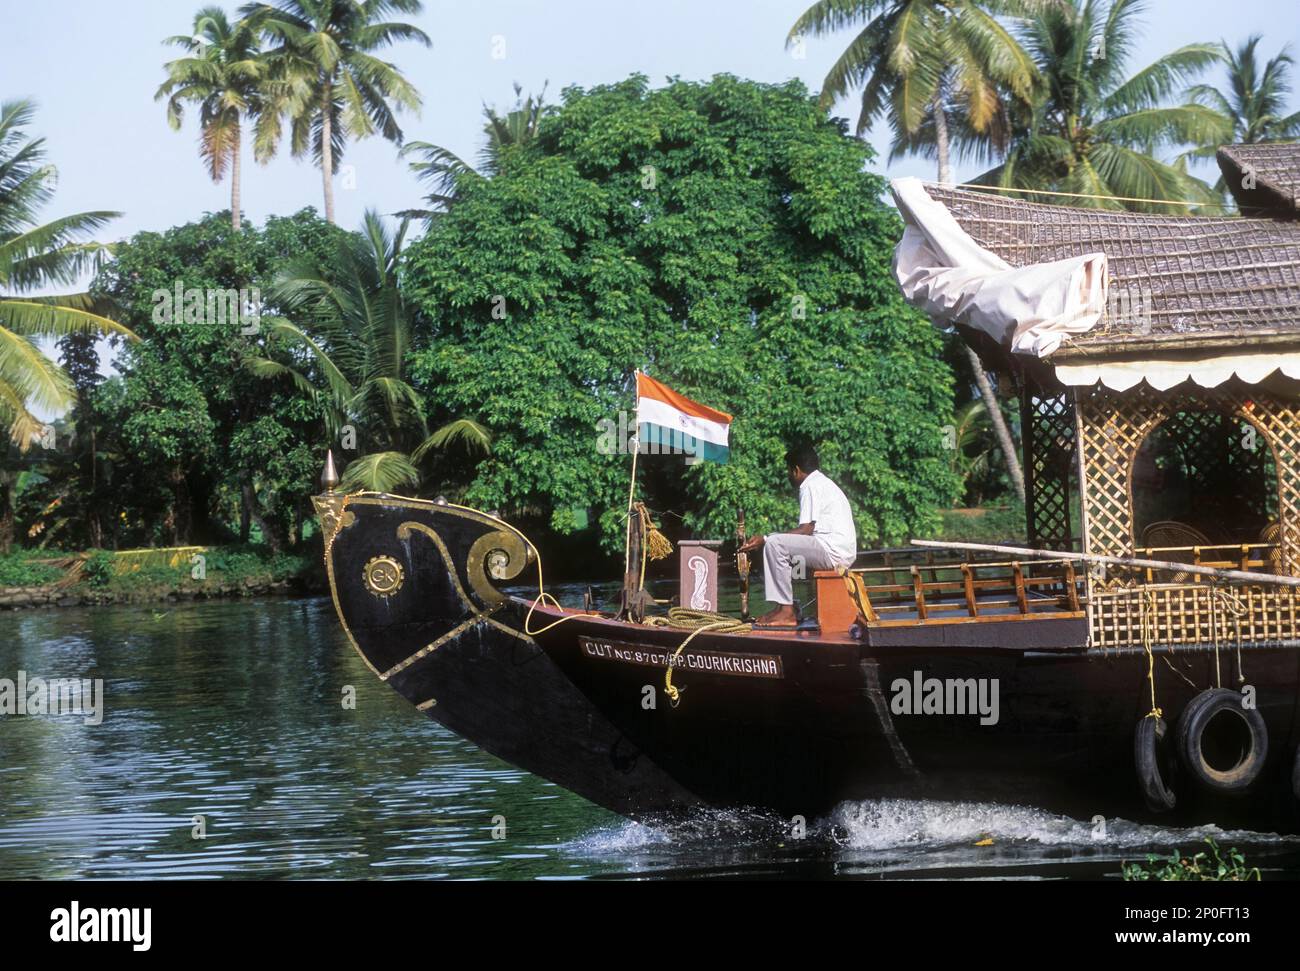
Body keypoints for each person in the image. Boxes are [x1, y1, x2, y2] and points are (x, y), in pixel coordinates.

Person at [739, 442, 857, 627]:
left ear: (796, 470)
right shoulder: (821, 482)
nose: (788, 476)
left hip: (832, 551)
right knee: (777, 545)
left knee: (774, 544)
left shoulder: (809, 486)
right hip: (834, 549)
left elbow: (806, 530)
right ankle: (782, 608)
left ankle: (787, 611)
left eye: (788, 471)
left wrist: (765, 538)